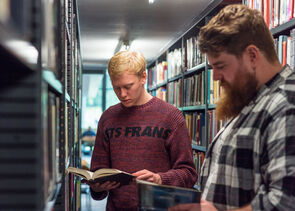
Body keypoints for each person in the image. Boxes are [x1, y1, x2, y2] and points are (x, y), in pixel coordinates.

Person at [171, 4, 295, 211]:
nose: (216, 77)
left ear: (252, 56)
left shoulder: (286, 103)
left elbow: (285, 202)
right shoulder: (253, 98)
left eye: (220, 66)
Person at [86, 50, 197, 210]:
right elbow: (97, 170)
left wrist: (160, 179)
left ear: (143, 77)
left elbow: (188, 173)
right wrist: (97, 188)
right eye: (116, 88)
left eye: (128, 86)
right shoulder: (108, 118)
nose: (122, 94)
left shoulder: (171, 117)